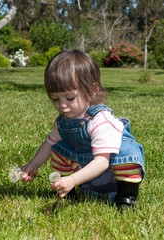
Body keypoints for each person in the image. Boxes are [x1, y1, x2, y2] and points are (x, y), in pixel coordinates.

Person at [20, 50, 145, 213]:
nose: (62, 105)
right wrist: (33, 165)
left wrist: (72, 179)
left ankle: (125, 198)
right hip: (85, 174)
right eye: (55, 99)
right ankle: (67, 192)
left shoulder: (100, 120)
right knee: (58, 149)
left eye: (69, 98)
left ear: (93, 89)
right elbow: (49, 143)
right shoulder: (63, 121)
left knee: (128, 154)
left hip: (112, 176)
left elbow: (102, 162)